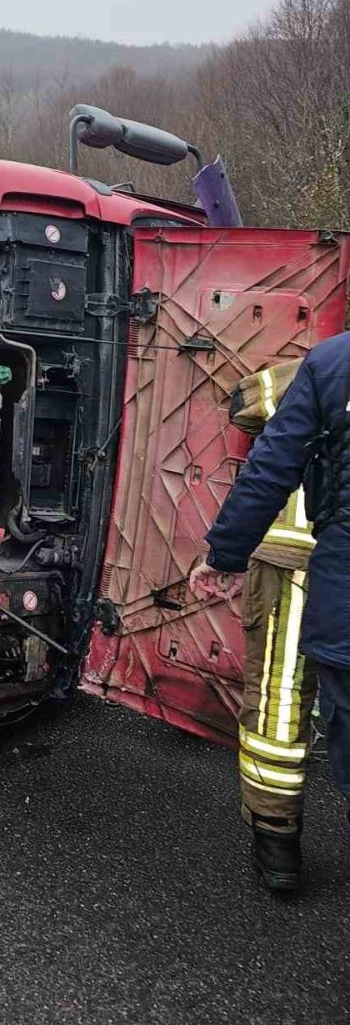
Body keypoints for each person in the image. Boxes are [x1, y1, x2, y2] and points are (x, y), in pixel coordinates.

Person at [190, 335, 350, 894]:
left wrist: (221, 555)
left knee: (279, 707)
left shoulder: (314, 370)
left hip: (296, 567)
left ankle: (277, 849)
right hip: (316, 566)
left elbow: (265, 459)